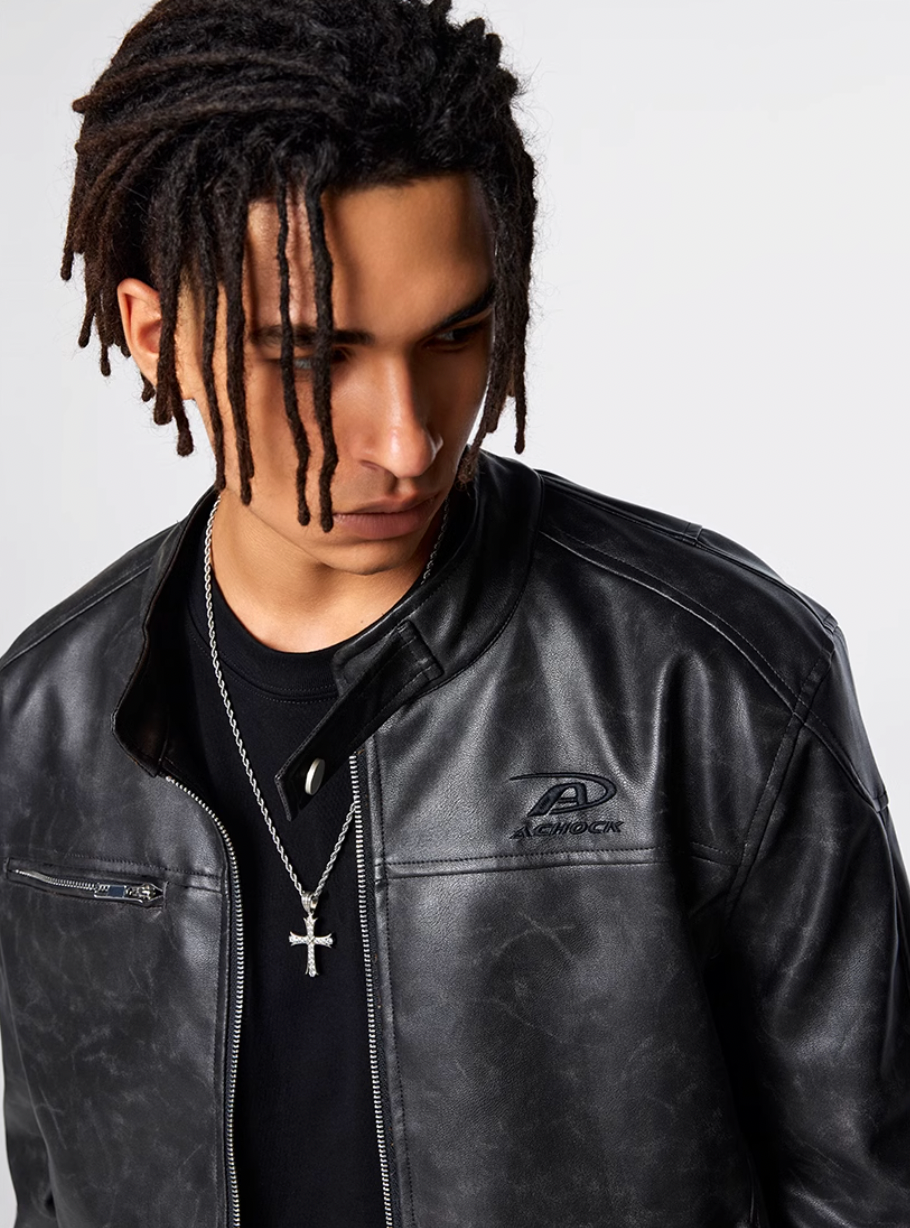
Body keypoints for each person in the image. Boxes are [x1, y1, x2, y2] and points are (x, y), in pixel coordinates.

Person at [0, 0, 907, 1224]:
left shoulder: (711, 678)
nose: (409, 438)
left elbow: (867, 1190)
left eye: (457, 335)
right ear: (154, 336)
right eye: (313, 356)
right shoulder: (41, 726)